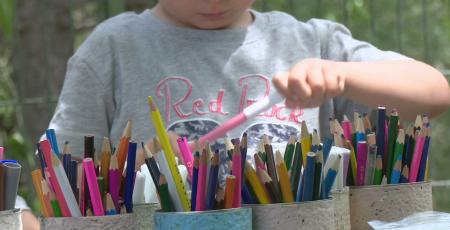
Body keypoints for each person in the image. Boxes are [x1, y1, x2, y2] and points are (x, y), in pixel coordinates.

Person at [47, 0, 450, 160]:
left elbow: (433, 90)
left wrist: (342, 76)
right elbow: (64, 178)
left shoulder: (310, 41)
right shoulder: (113, 49)